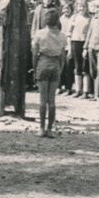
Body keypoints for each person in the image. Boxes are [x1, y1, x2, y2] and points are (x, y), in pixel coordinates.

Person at [31, 9, 67, 138]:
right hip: (56, 64)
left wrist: (34, 68)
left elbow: (35, 53)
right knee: (51, 100)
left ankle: (41, 128)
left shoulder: (39, 33)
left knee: (42, 99)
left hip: (43, 62)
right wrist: (60, 68)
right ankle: (50, 128)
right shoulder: (62, 36)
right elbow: (63, 55)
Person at [69, 0, 91, 98]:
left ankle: (86, 91)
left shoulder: (89, 18)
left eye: (83, 6)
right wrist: (69, 47)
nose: (81, 8)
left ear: (86, 7)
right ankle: (78, 90)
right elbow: (69, 32)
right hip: (75, 42)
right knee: (77, 66)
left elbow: (91, 34)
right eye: (79, 6)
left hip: (85, 43)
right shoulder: (74, 17)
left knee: (85, 67)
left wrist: (86, 47)